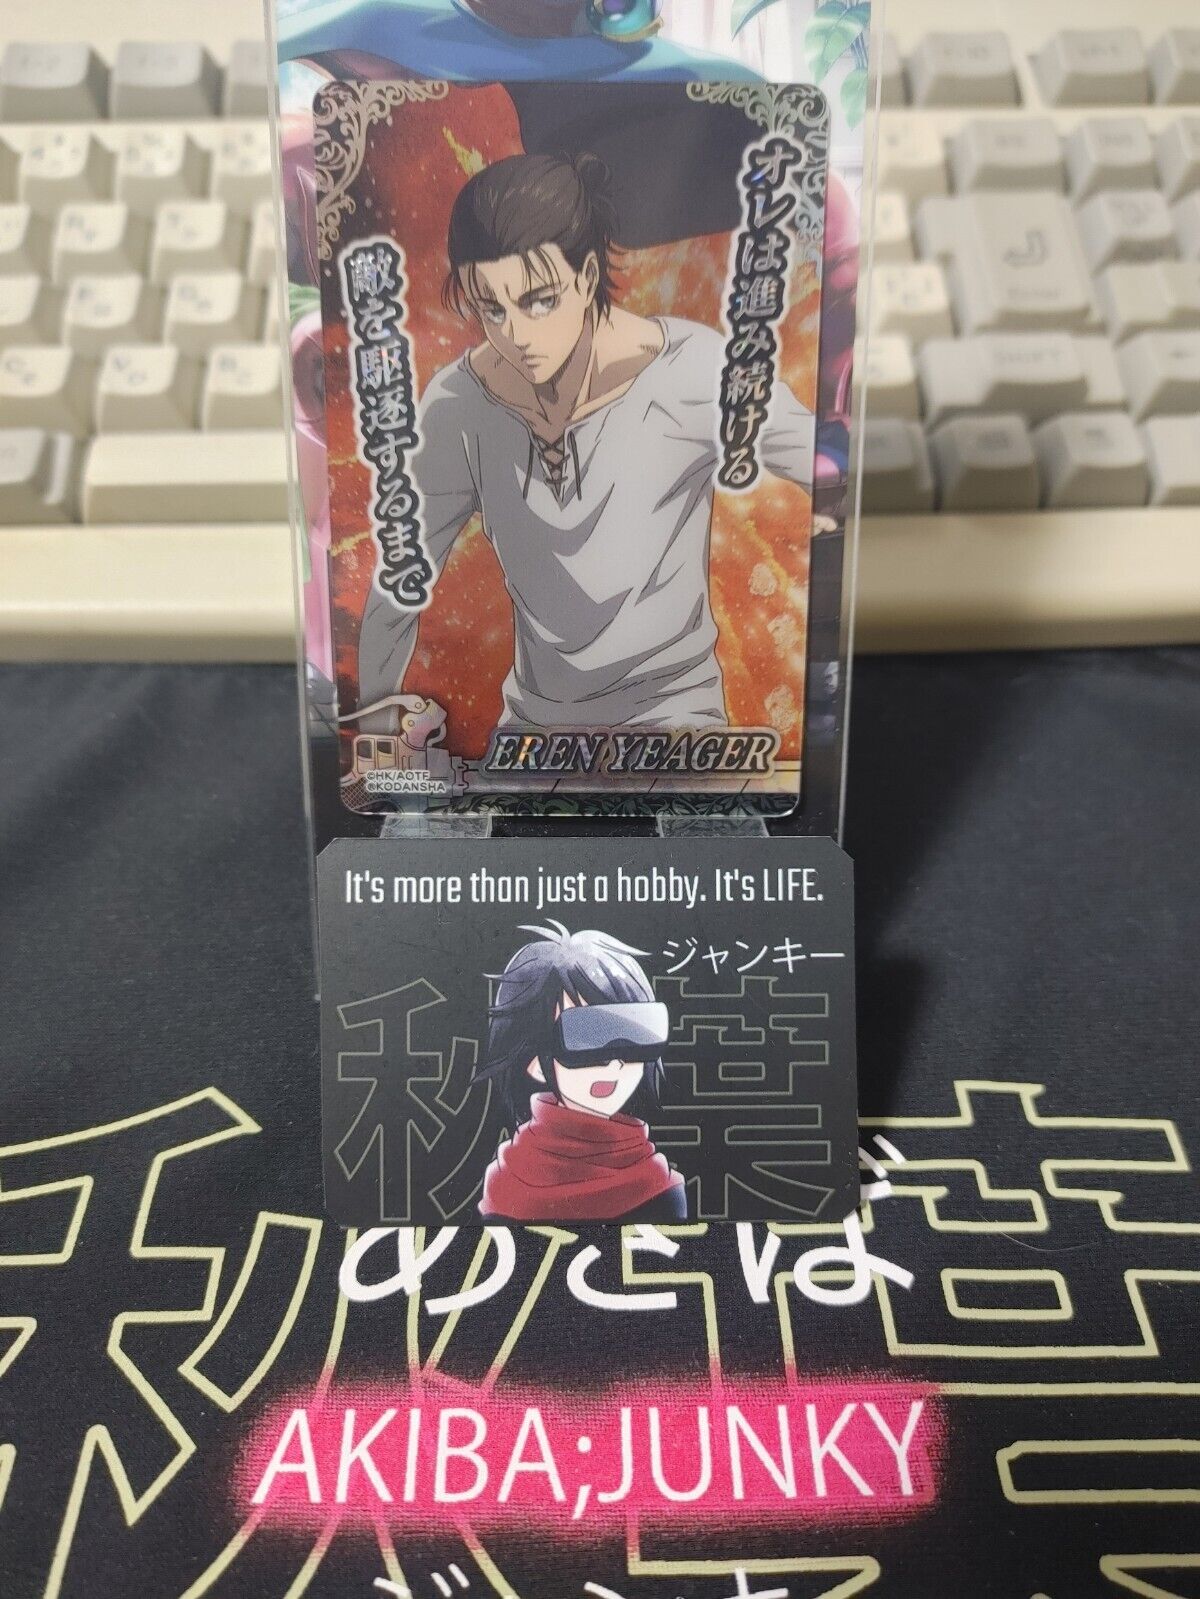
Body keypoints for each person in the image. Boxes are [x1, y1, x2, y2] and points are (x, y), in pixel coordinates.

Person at [358, 149, 822, 738]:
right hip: (533, 730)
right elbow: (398, 583)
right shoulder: (459, 406)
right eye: (491, 309)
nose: (516, 335)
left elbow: (828, 464)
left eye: (539, 300)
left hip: (677, 722)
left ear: (586, 277)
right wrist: (372, 741)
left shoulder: (691, 370)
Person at [475, 922, 686, 1223]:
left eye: (633, 1033)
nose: (614, 1062)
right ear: (535, 1061)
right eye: (586, 1035)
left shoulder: (658, 1185)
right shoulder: (507, 1181)